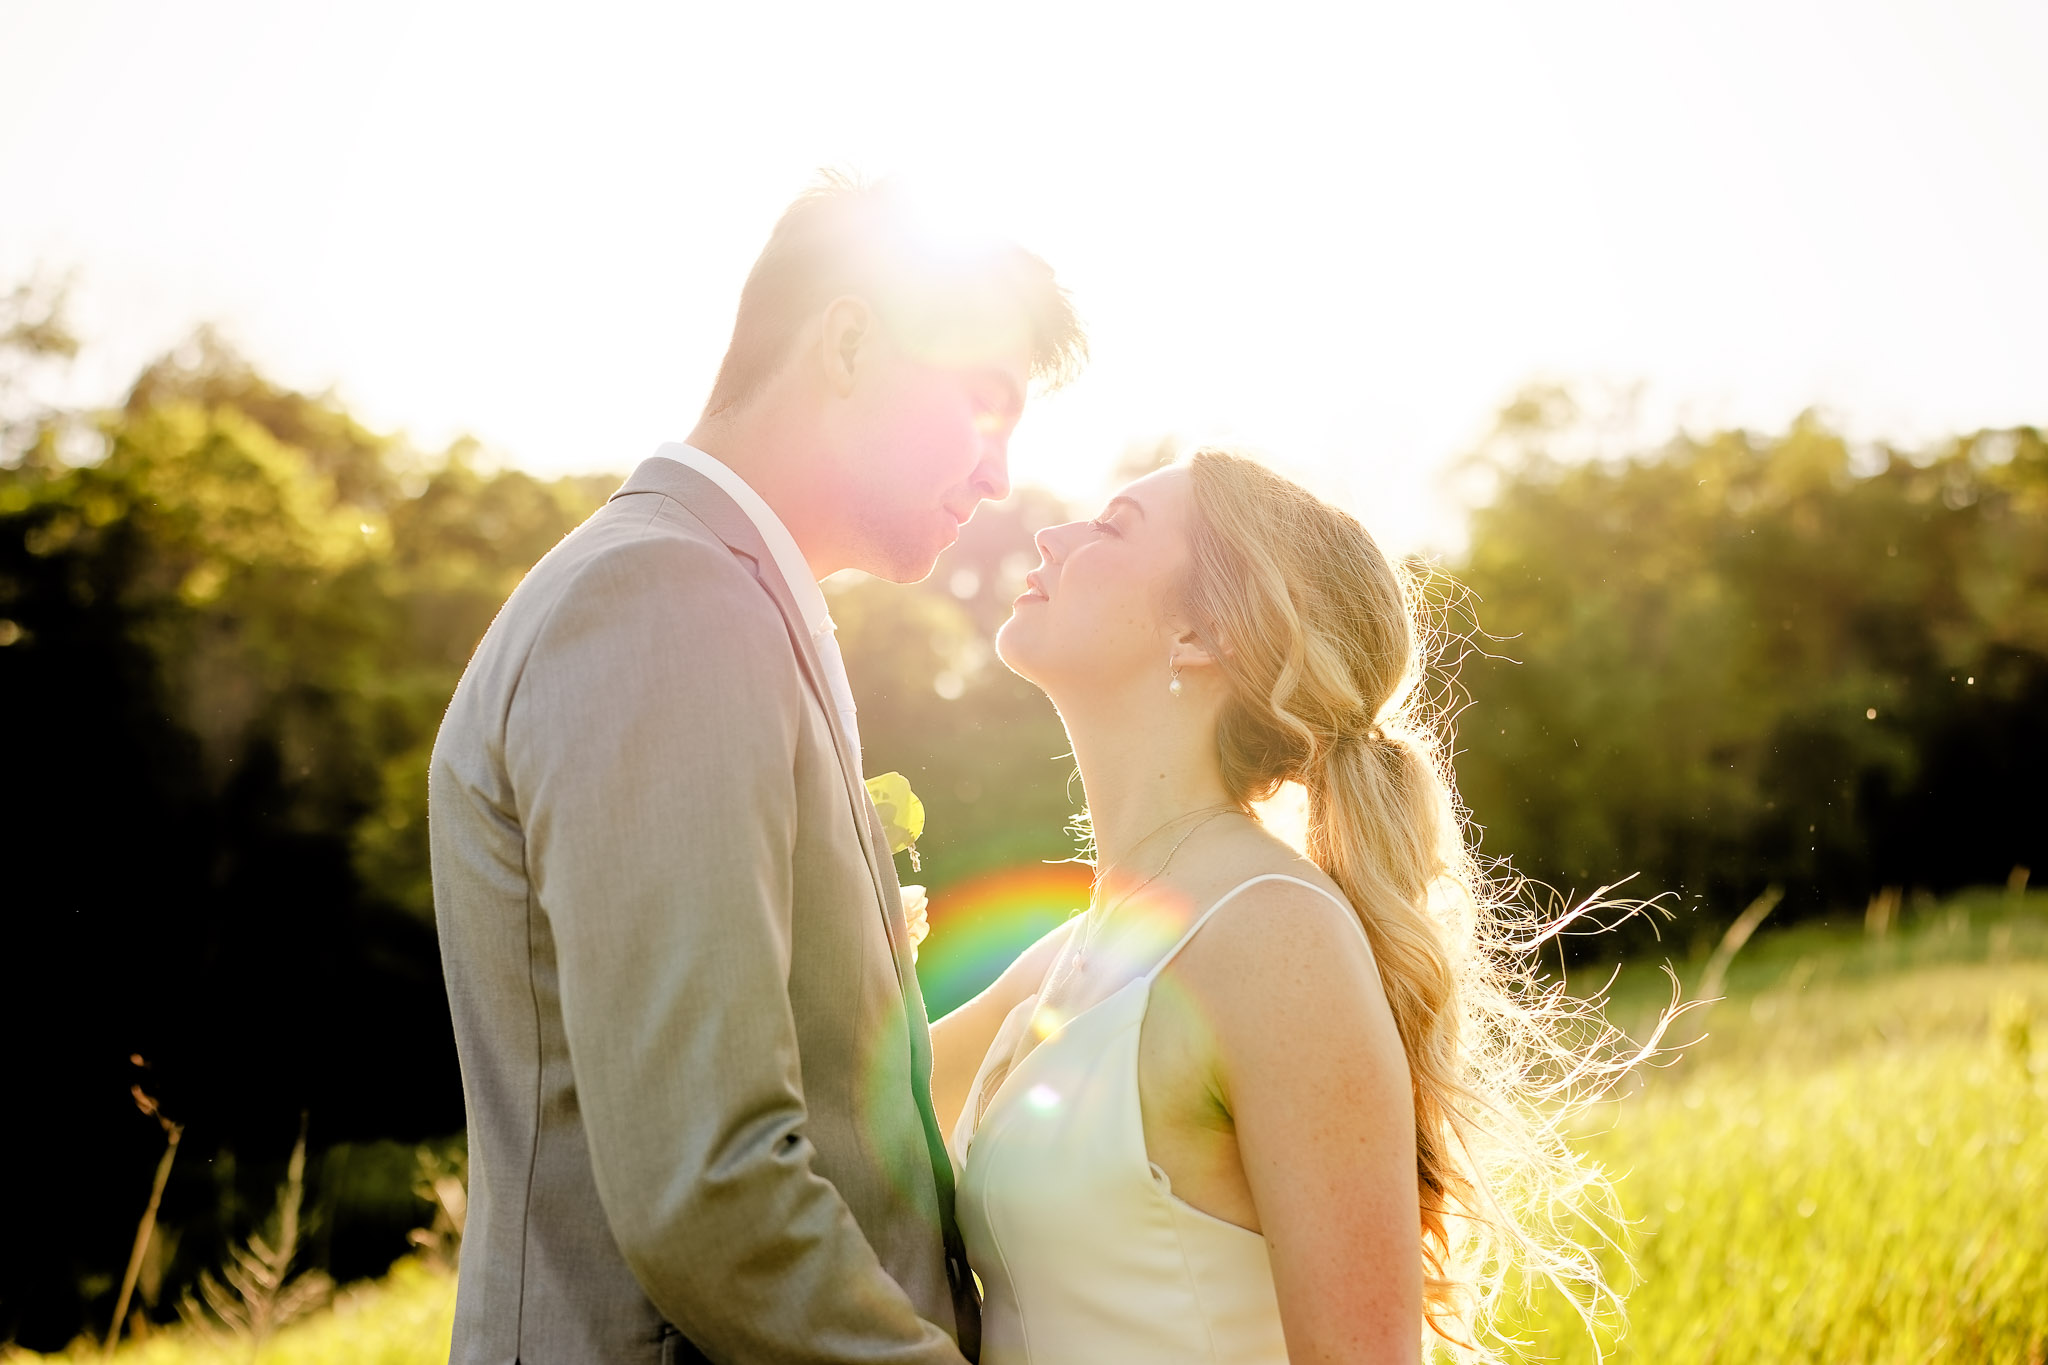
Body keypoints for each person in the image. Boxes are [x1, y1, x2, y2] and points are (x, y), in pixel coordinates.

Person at [428, 172, 1083, 1364]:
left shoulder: (718, 599)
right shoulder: (660, 602)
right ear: (846, 342)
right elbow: (709, 1187)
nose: (997, 477)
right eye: (983, 406)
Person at [933, 451, 1641, 1362]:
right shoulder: (1074, 950)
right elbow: (838, 1088)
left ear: (1203, 632)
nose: (1049, 534)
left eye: (1111, 527)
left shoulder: (1272, 934)